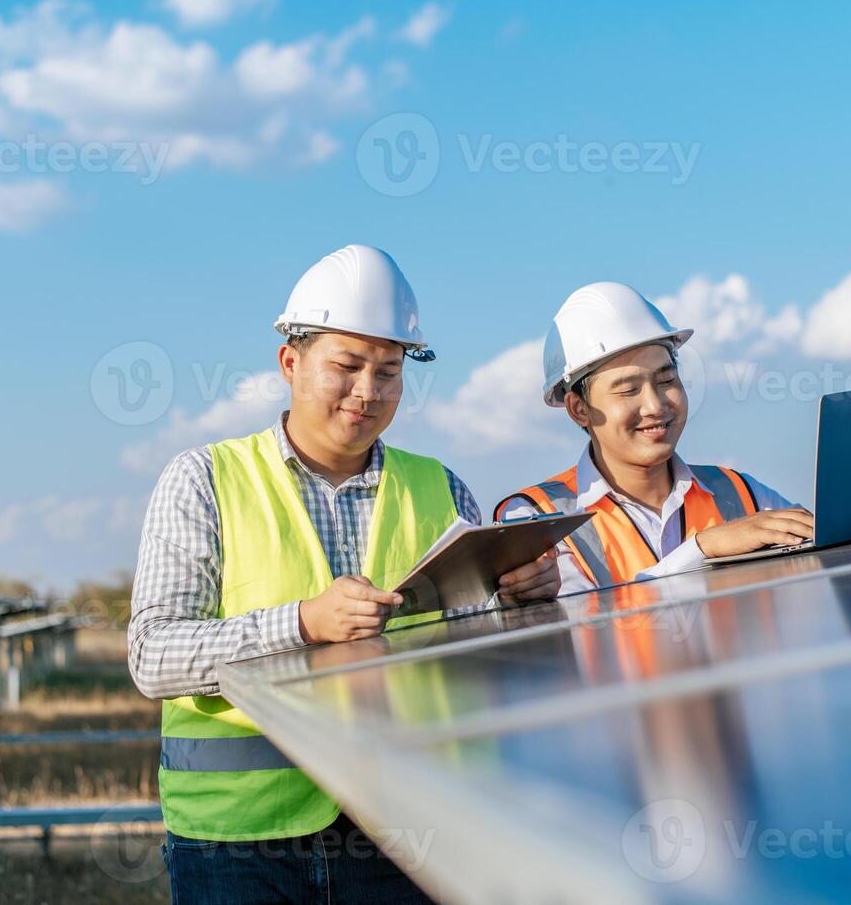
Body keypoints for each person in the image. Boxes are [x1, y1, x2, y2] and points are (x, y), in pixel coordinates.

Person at [127, 244, 559, 905]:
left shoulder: (440, 488)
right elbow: (153, 657)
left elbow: (478, 656)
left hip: (405, 830)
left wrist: (520, 603)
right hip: (238, 845)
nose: (368, 391)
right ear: (290, 363)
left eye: (388, 371)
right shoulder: (204, 480)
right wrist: (301, 624)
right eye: (347, 365)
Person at [494, 281, 814, 588]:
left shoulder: (743, 493)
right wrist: (702, 549)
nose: (654, 405)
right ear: (579, 408)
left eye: (665, 381)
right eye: (629, 389)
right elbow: (586, 623)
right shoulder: (533, 519)